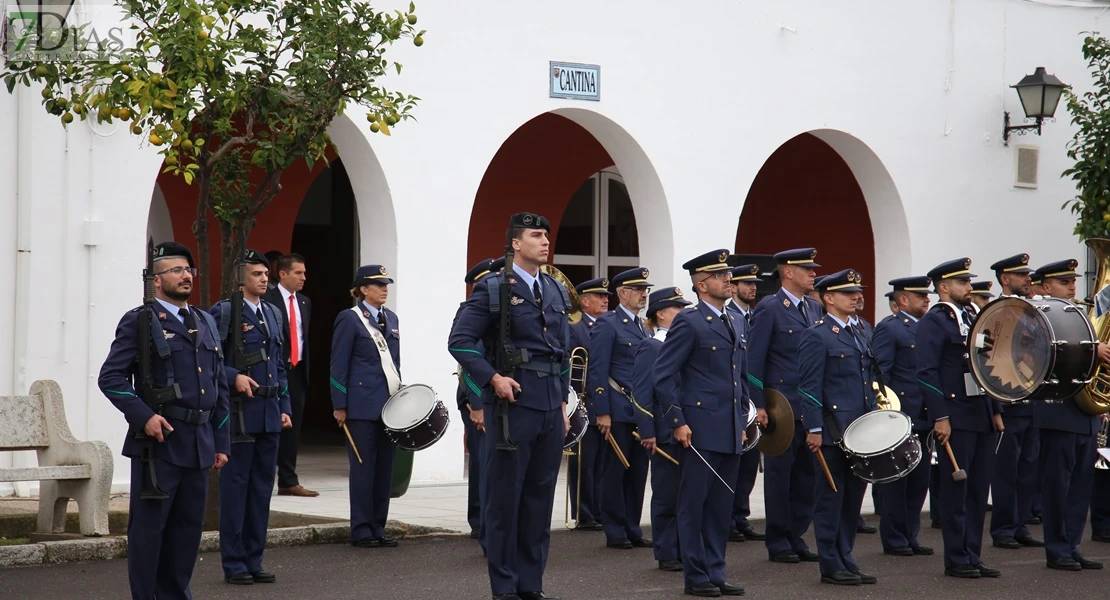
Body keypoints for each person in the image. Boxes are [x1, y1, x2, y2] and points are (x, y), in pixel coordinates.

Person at [448, 212, 572, 600]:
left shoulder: (553, 289)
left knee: (539, 502)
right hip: (512, 407)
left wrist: (564, 404)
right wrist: (493, 378)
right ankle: (504, 588)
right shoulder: (494, 288)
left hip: (550, 407)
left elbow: (563, 352)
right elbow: (461, 340)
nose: (545, 240)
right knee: (504, 503)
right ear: (516, 243)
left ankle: (530, 585)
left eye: (546, 235)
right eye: (536, 235)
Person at [98, 241, 230, 599]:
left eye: (189, 270)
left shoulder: (204, 320)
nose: (186, 276)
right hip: (160, 445)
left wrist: (221, 442)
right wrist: (144, 417)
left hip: (200, 443)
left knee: (187, 532)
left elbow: (218, 384)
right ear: (156, 281)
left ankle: (175, 593)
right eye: (176, 271)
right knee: (150, 532)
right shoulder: (141, 320)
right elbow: (111, 378)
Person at [654, 249, 750, 597]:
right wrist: (677, 421)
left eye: (728, 274)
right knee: (694, 505)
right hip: (698, 427)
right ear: (700, 284)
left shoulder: (736, 320)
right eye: (720, 275)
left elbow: (740, 376)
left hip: (728, 428)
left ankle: (716, 571)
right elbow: (664, 376)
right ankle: (696, 576)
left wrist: (742, 419)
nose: (728, 279)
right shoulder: (689, 321)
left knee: (721, 506)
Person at [917, 258, 1003, 579]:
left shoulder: (972, 317)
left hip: (979, 412)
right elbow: (926, 373)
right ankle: (956, 558)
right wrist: (939, 415)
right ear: (943, 287)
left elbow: (985, 367)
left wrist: (995, 410)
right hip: (954, 415)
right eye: (962, 282)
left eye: (968, 282)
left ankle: (972, 554)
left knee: (979, 490)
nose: (969, 287)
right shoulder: (934, 322)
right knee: (958, 490)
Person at [211, 249, 293, 585]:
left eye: (265, 274)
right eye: (257, 274)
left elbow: (279, 364)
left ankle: (254, 558)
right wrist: (234, 377)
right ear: (241, 278)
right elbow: (210, 359)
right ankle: (234, 563)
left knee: (262, 489)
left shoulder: (272, 313)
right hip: (240, 414)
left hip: (269, 413)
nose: (264, 279)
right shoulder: (226, 311)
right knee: (236, 489)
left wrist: (285, 406)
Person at [798, 269, 878, 585]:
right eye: (848, 292)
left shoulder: (862, 330)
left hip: (861, 429)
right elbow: (808, 387)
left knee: (852, 500)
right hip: (833, 431)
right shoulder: (817, 334)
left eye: (858, 292)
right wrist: (814, 428)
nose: (857, 296)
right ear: (829, 298)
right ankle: (830, 563)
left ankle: (846, 555)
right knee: (831, 498)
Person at [747, 248, 823, 564]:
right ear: (788, 272)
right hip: (782, 408)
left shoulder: (815, 309)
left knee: (807, 476)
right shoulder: (770, 309)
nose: (814, 273)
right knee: (781, 476)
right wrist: (757, 404)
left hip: (810, 405)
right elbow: (754, 361)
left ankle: (795, 535)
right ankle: (778, 540)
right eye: (807, 269)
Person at [1031, 259, 1105, 571]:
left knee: (1081, 484)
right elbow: (1043, 352)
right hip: (1057, 411)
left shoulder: (1082, 315)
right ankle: (1057, 548)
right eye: (1064, 282)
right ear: (1046, 288)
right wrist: (1093, 349)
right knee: (1057, 484)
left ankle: (1071, 544)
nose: (1072, 286)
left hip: (1085, 413)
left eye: (1072, 281)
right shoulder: (1037, 317)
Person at [330, 264, 402, 548]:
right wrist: (340, 405)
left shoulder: (392, 318)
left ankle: (378, 527)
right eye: (378, 284)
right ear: (362, 289)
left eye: (386, 284)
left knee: (384, 470)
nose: (384, 288)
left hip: (389, 406)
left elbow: (394, 363)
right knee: (364, 468)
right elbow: (338, 366)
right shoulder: (350, 319)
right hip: (360, 407)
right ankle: (361, 530)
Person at [587, 267, 654, 549]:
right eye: (639, 290)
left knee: (638, 472)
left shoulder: (642, 326)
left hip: (639, 410)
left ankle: (632, 527)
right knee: (615, 471)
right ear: (623, 293)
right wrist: (601, 411)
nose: (644, 295)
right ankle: (615, 530)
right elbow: (597, 370)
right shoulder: (608, 324)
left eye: (646, 290)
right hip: (616, 409)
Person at [872, 276, 934, 558]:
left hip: (924, 414)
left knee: (919, 480)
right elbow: (880, 375)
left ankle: (910, 535)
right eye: (921, 296)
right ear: (903, 300)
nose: (927, 299)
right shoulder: (890, 329)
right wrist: (887, 414)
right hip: (901, 416)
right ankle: (894, 538)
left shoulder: (926, 328)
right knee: (897, 482)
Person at [985, 254, 1043, 551]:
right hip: (1007, 401)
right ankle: (1004, 528)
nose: (1027, 280)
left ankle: (1020, 525)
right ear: (1005, 279)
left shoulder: (1031, 312)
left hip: (1030, 400)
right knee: (1006, 470)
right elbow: (983, 358)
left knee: (1028, 468)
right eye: (1021, 276)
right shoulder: (992, 312)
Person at [632, 286, 692, 572]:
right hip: (664, 431)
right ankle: (667, 551)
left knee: (686, 493)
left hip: (686, 429)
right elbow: (642, 393)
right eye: (677, 308)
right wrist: (647, 431)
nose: (683, 313)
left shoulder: (680, 343)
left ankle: (683, 547)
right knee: (667, 493)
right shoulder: (653, 346)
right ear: (660, 314)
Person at [456, 257, 505, 544]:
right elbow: (470, 363)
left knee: (492, 464)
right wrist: (477, 406)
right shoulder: (472, 311)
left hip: (495, 397)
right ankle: (482, 522)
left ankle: (485, 520)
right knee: (484, 464)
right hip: (478, 398)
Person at [264, 254, 318, 497]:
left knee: (292, 428)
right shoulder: (267, 299)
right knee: (269, 424)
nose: (303, 277)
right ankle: (265, 477)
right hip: (272, 371)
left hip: (296, 371)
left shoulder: (305, 302)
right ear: (283, 274)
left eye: (304, 273)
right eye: (298, 273)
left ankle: (288, 480)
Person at [566, 277, 610, 532]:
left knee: (604, 462)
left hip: (604, 402)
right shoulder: (574, 327)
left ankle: (601, 509)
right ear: (584, 301)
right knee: (584, 461)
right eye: (599, 296)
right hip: (583, 402)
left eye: (606, 296)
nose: (605, 300)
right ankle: (584, 512)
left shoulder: (609, 325)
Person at [726, 263, 765, 543]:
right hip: (736, 398)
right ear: (734, 287)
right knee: (734, 462)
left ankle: (740, 515)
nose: (752, 287)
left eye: (754, 283)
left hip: (754, 399)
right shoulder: (727, 316)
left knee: (750, 462)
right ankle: (726, 517)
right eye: (746, 283)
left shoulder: (757, 316)